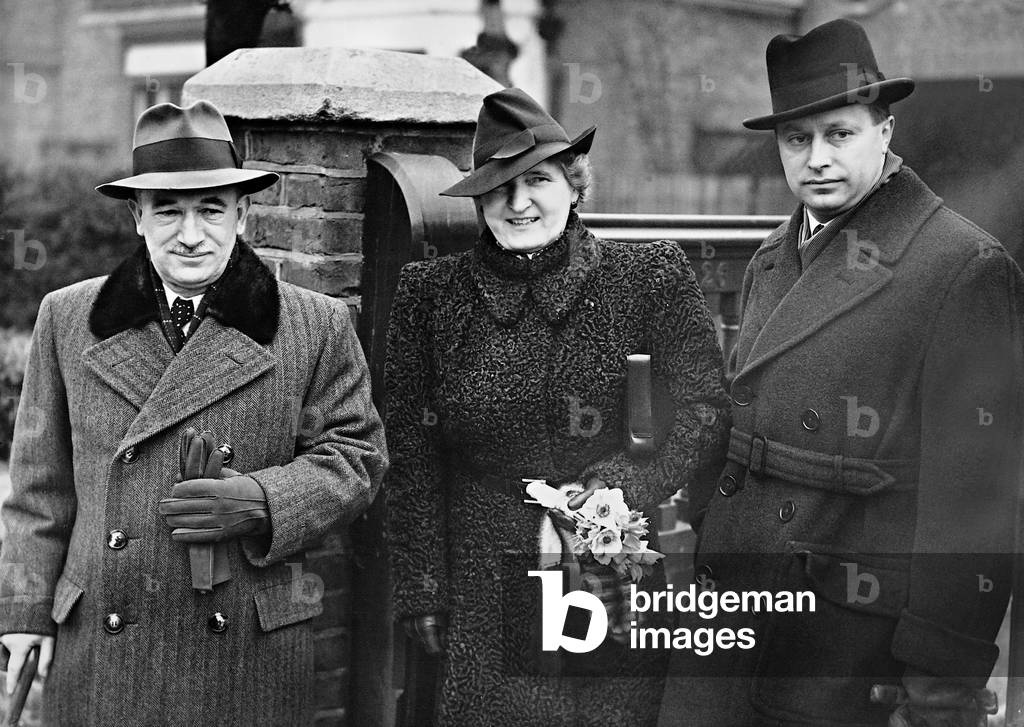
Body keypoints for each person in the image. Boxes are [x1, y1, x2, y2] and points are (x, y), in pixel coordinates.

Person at [681, 18, 1024, 726]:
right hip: (737, 614)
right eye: (796, 140)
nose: (817, 159)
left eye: (839, 134)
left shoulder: (960, 268)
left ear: (884, 131)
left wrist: (941, 685)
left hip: (847, 643)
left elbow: (974, 502)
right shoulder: (773, 255)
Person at [0, 100, 388, 725]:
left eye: (210, 210)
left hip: (244, 648)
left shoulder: (313, 324)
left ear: (243, 213)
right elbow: (39, 490)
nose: (189, 234)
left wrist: (263, 501)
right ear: (136, 217)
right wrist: (21, 612)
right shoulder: (67, 318)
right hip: (101, 643)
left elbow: (358, 459)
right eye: (168, 211)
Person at [384, 87, 730, 726]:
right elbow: (409, 455)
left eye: (537, 179)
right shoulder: (430, 296)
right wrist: (423, 586)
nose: (518, 203)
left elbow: (704, 409)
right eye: (498, 187)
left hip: (612, 563)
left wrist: (615, 493)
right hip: (481, 578)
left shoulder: (646, 278)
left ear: (574, 185)